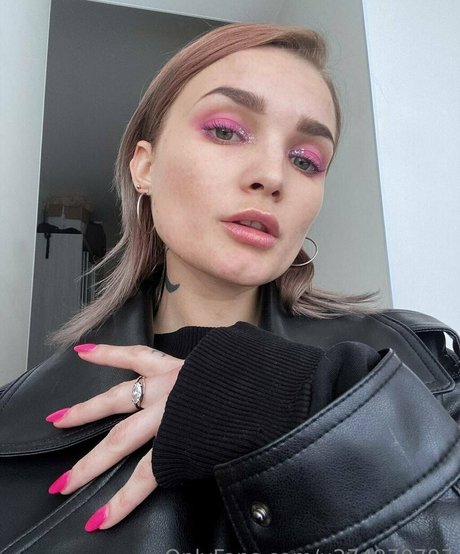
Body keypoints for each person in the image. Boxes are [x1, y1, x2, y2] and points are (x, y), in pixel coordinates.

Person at [1, 23, 459, 553]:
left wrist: (290, 400)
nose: (273, 176)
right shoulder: (18, 421)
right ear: (145, 167)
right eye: (225, 131)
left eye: (306, 160)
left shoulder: (416, 367)